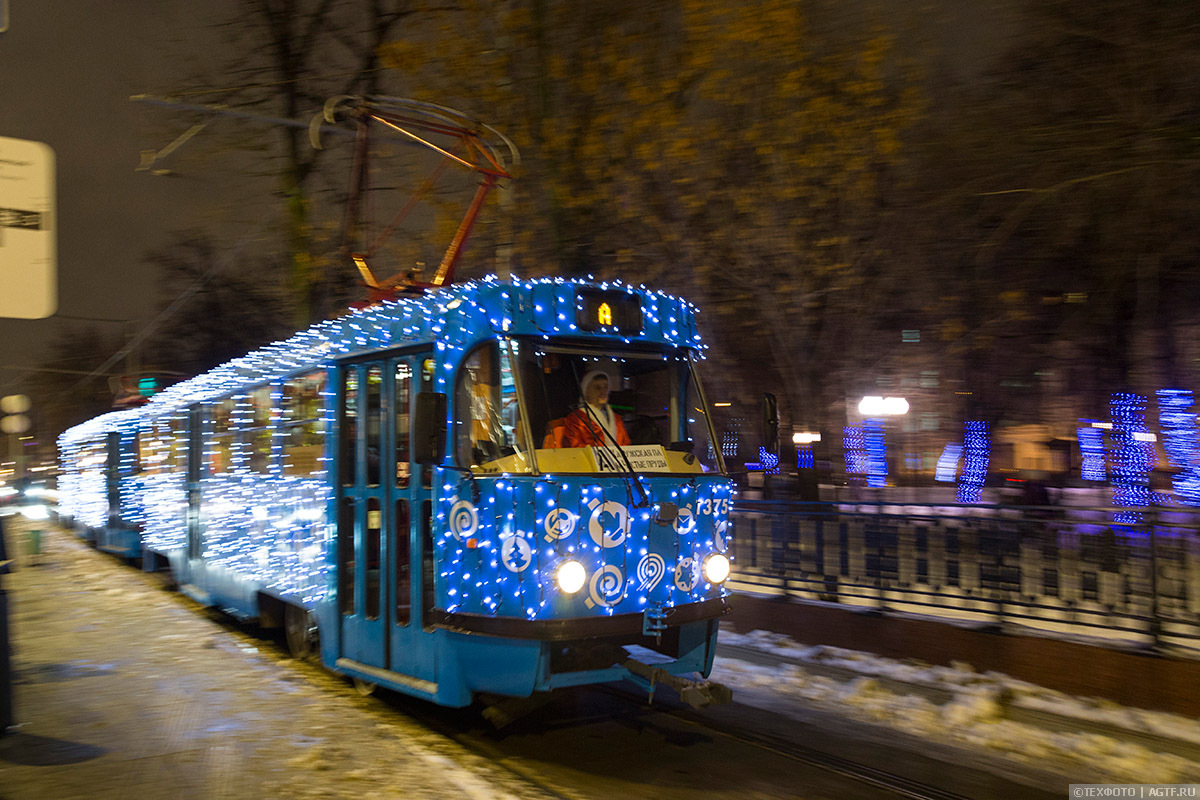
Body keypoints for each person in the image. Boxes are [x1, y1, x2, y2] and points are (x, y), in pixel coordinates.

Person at [561, 369, 631, 447]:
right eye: (597, 388)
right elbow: (573, 447)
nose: (603, 392)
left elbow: (626, 444)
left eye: (606, 387)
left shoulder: (616, 419)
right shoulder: (576, 419)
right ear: (586, 391)